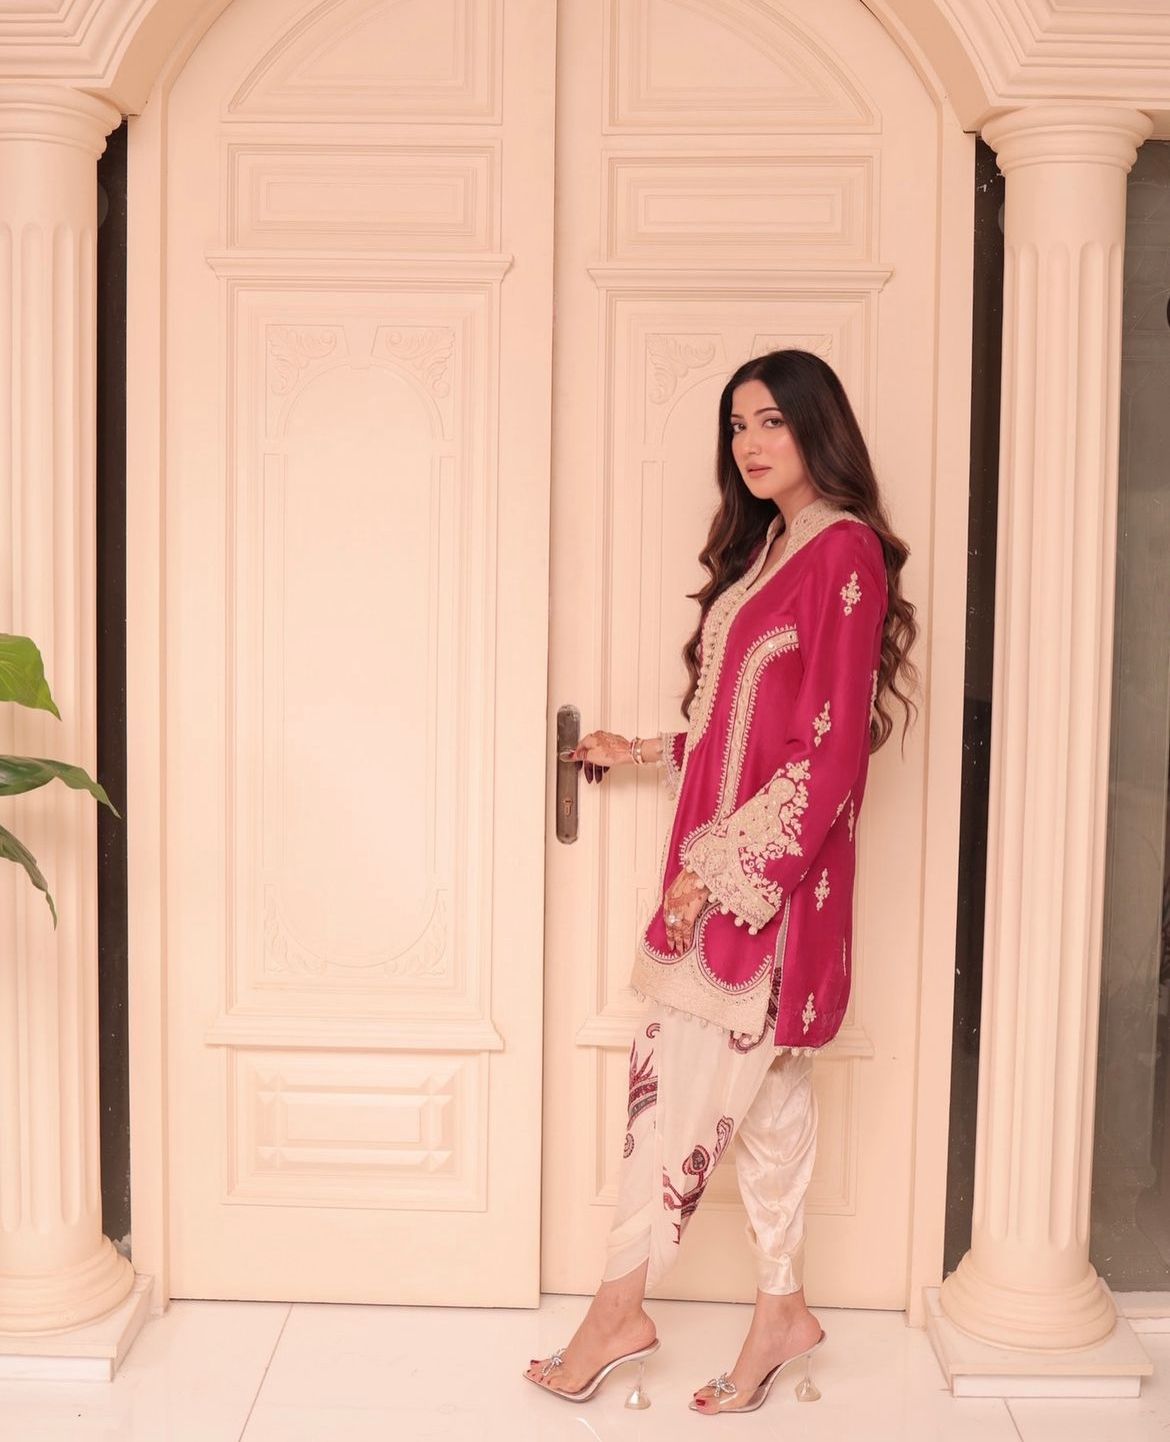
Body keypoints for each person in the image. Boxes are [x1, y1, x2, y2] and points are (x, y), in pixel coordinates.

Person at [524, 348, 918, 1414]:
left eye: (771, 421)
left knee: (674, 1089)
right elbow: (742, 725)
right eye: (737, 425)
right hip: (732, 867)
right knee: (770, 1096)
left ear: (817, 427)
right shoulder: (771, 553)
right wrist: (644, 749)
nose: (749, 443)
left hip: (764, 893)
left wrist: (718, 871)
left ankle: (617, 1309)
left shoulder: (843, 552)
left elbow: (829, 756)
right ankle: (782, 1309)